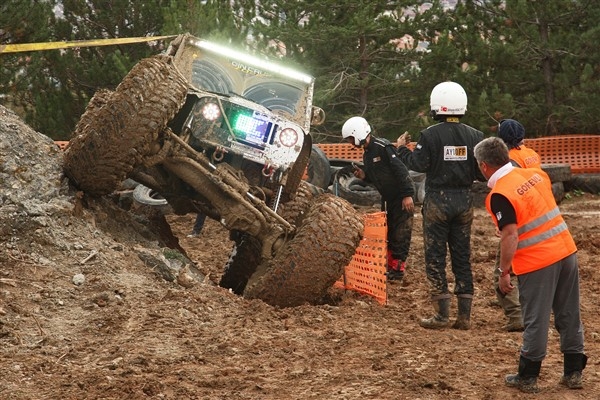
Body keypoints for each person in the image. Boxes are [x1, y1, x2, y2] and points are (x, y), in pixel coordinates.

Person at [474, 136, 587, 393]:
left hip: (538, 261)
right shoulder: (536, 174)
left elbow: (510, 234)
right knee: (569, 314)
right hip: (566, 250)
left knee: (535, 319)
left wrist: (503, 271)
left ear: (483, 166)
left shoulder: (499, 194)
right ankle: (574, 372)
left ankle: (528, 376)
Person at [395, 81, 485, 330]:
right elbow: (480, 172)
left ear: (438, 107)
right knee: (462, 256)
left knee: (435, 256)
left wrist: (402, 150)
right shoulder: (475, 136)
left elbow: (418, 164)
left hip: (438, 201)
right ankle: (464, 317)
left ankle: (441, 314)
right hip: (464, 201)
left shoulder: (430, 135)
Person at [341, 116, 415, 281]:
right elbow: (377, 177)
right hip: (388, 198)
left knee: (400, 233)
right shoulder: (367, 154)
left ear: (358, 133)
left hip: (401, 197)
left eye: (351, 139)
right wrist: (364, 176)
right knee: (388, 232)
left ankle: (397, 269)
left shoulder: (383, 147)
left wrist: (407, 194)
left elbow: (400, 170)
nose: (351, 143)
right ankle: (390, 266)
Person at [493, 119, 542, 332]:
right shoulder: (531, 154)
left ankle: (515, 316)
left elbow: (509, 191)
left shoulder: (508, 161)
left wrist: (504, 223)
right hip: (537, 215)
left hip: (518, 219)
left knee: (504, 269)